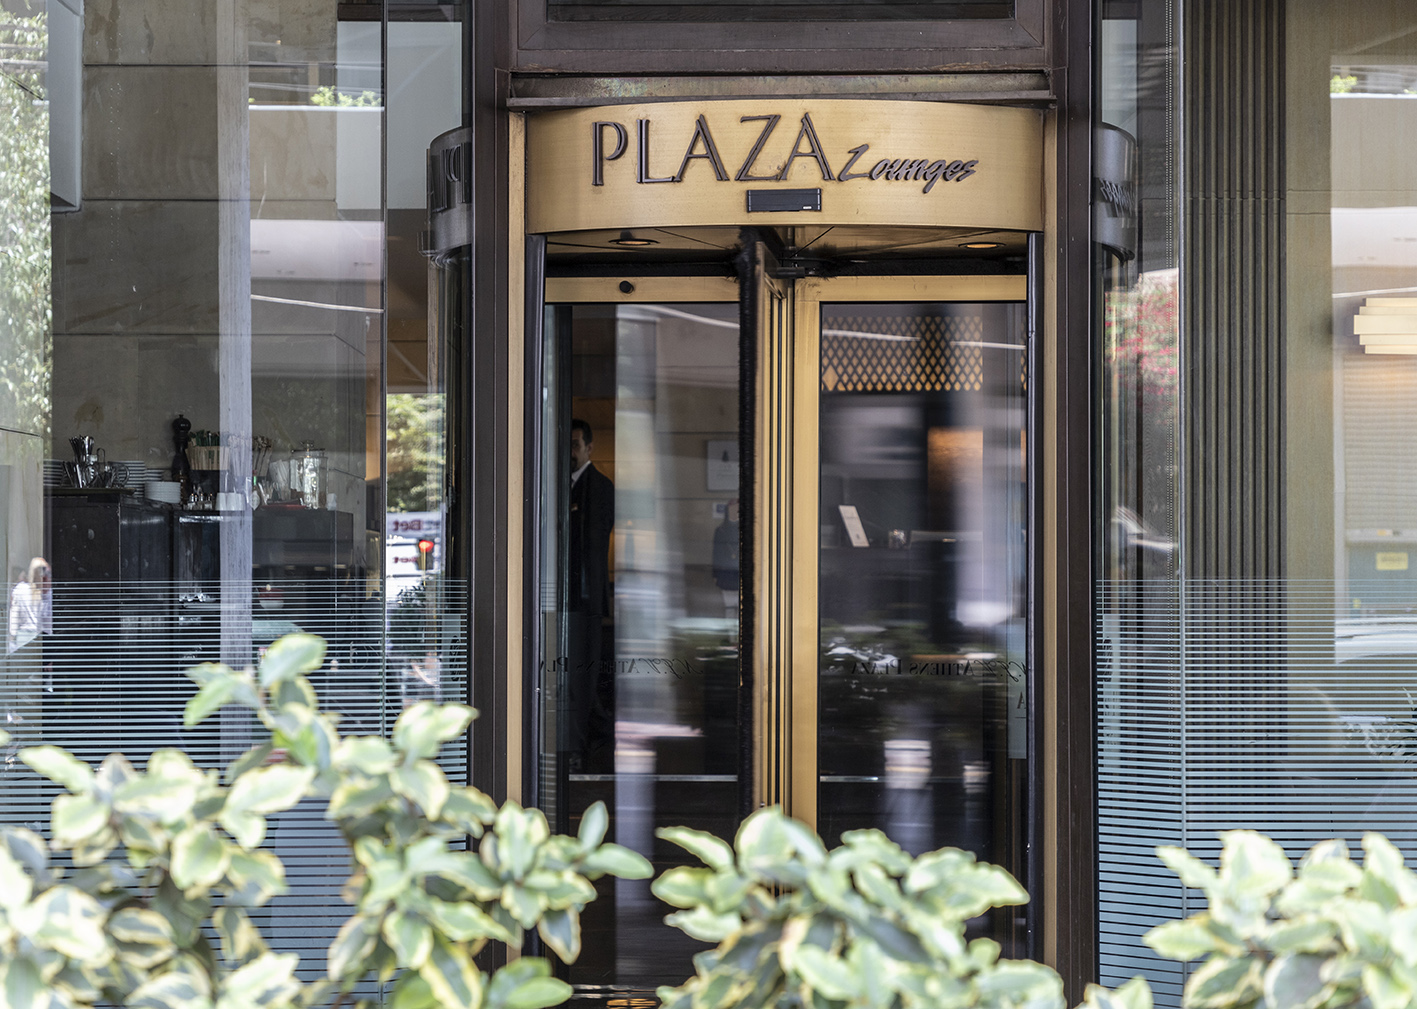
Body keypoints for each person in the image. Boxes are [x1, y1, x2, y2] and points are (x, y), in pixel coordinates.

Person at [567, 419, 614, 764]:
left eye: (575, 445)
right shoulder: (561, 484)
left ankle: (582, 744)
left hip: (584, 597)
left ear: (589, 448)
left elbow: (592, 547)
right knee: (572, 673)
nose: (570, 453)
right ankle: (592, 736)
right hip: (568, 597)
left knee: (583, 674)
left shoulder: (599, 487)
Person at [8, 557, 52, 654]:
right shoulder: (21, 590)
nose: (46, 577)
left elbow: (14, 620)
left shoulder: (21, 590)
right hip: (30, 638)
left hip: (30, 639)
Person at [712, 498, 739, 620]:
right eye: (732, 510)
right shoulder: (720, 531)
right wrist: (715, 574)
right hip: (725, 573)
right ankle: (730, 630)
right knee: (729, 607)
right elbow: (716, 553)